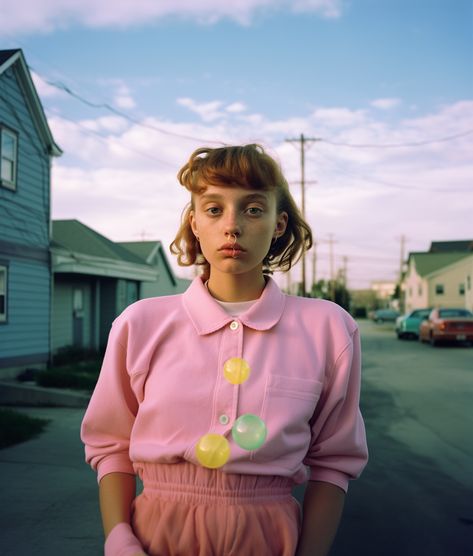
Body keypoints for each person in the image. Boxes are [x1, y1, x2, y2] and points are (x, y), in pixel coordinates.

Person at [81, 144, 368, 556]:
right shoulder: (140, 324)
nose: (232, 226)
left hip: (269, 537)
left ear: (277, 223)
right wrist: (119, 537)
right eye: (214, 209)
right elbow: (110, 446)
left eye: (253, 209)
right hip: (155, 536)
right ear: (195, 222)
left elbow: (334, 461)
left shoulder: (328, 328)